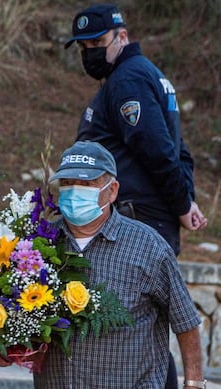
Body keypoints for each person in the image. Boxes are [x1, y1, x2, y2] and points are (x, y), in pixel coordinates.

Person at [33, 141, 206, 389]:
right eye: (67, 183)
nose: (74, 191)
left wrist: (194, 383)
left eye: (86, 184)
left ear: (112, 190)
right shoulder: (39, 245)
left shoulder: (148, 247)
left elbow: (185, 322)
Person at [64, 3, 207, 258]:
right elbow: (179, 149)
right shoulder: (142, 74)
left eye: (98, 42)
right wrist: (186, 200)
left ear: (122, 37)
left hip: (136, 224)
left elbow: (159, 151)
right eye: (83, 47)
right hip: (146, 221)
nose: (90, 52)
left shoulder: (128, 81)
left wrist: (183, 206)